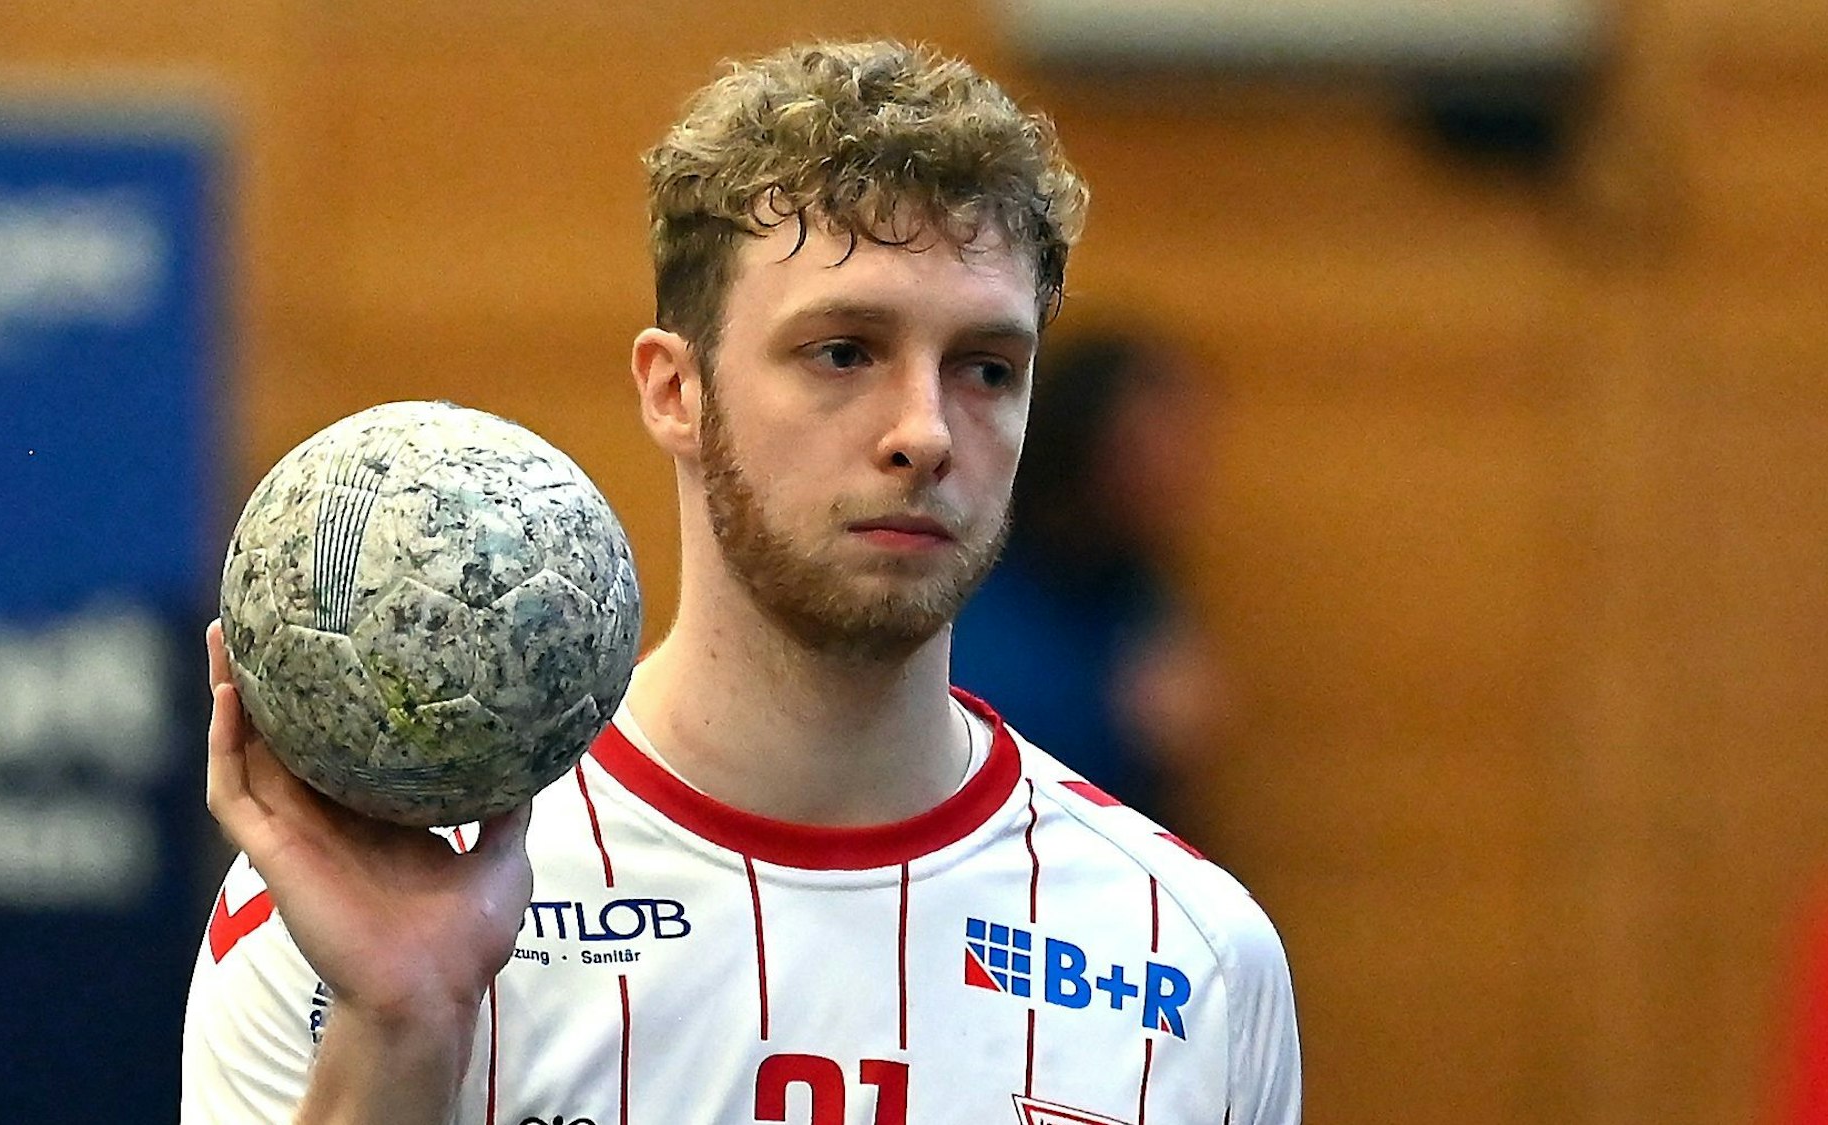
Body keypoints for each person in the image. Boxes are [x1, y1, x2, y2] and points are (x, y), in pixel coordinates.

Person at [182, 40, 1300, 1125]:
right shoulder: (349, 921)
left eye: (985, 369)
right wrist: (404, 1029)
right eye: (844, 351)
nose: (924, 431)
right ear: (675, 390)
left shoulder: (1189, 957)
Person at [951, 330, 1230, 824]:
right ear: (1086, 440)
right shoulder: (975, 561)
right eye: (1149, 444)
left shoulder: (1135, 586)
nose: (1178, 468)